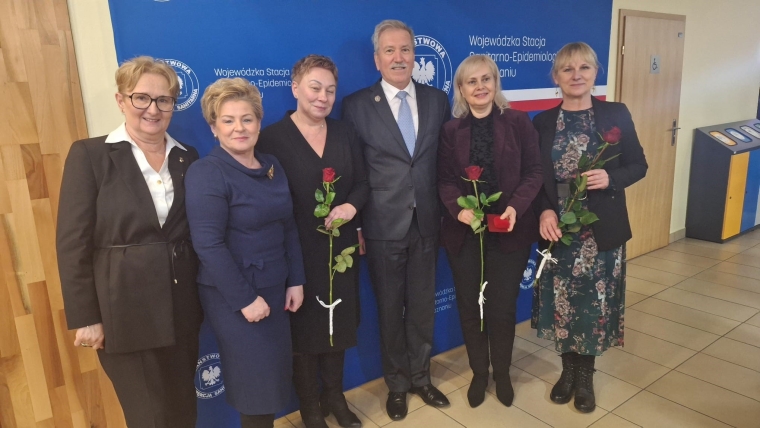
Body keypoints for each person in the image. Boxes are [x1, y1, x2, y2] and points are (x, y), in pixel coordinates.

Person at [56, 56, 203, 427]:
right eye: (141, 98)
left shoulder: (187, 157)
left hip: (181, 310)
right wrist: (87, 317)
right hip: (123, 312)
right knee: (148, 417)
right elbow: (72, 243)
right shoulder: (90, 155)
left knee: (183, 411)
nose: (153, 109)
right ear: (121, 100)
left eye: (163, 100)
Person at [341, 19, 451, 421]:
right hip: (381, 227)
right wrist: (356, 226)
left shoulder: (437, 100)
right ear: (377, 59)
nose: (399, 57)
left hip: (427, 223)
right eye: (390, 50)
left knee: (421, 308)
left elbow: (443, 162)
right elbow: (353, 170)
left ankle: (422, 377)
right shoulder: (355, 106)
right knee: (389, 310)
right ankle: (398, 385)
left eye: (405, 49)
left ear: (414, 55)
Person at [531, 42, 647, 413]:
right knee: (563, 302)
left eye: (584, 67)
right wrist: (544, 212)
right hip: (559, 229)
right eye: (567, 69)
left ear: (596, 72)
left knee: (593, 304)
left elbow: (639, 165)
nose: (576, 75)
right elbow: (535, 177)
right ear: (556, 77)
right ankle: (567, 372)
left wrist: (611, 178)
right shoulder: (542, 122)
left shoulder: (616, 113)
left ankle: (585, 377)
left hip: (600, 228)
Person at [185, 77, 305, 428]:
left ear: (258, 122)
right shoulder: (206, 172)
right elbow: (208, 245)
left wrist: (295, 280)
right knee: (255, 384)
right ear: (214, 128)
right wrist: (245, 300)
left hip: (275, 287)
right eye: (228, 120)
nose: (239, 128)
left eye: (247, 119)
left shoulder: (271, 165)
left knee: (272, 378)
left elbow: (288, 226)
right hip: (235, 296)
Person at [258, 55, 368, 428]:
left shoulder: (345, 132)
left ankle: (334, 396)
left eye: (330, 90)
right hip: (296, 251)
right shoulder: (271, 138)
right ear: (295, 88)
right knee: (304, 329)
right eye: (315, 88)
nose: (323, 97)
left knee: (337, 321)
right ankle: (309, 406)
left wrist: (352, 207)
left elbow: (363, 183)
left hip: (341, 249)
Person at [438, 55, 542, 408]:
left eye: (486, 79)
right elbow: (444, 181)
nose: (480, 86)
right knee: (470, 308)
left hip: (509, 231)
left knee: (501, 309)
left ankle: (502, 372)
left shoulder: (518, 122)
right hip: (466, 235)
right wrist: (459, 210)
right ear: (461, 89)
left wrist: (516, 207)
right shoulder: (451, 131)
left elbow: (534, 171)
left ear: (496, 83)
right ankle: (479, 373)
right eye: (472, 81)